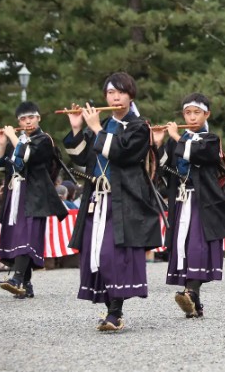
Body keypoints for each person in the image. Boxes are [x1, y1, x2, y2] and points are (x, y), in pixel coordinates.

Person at [63, 73, 162, 331]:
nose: (115, 97)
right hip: (96, 198)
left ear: (131, 95)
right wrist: (76, 127)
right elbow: (80, 157)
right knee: (95, 252)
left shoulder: (139, 126)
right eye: (110, 93)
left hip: (124, 200)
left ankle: (115, 311)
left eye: (120, 92)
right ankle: (111, 310)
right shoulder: (104, 122)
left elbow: (122, 153)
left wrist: (97, 129)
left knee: (112, 253)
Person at [153, 93, 225, 318]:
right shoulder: (175, 140)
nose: (192, 117)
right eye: (188, 113)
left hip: (203, 201)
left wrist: (177, 137)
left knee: (198, 246)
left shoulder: (211, 139)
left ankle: (190, 291)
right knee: (184, 246)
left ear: (207, 114)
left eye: (197, 112)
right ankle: (194, 300)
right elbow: (163, 170)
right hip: (181, 199)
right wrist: (159, 144)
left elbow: (200, 154)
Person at [0, 102, 68, 299]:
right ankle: (26, 284)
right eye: (23, 119)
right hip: (15, 194)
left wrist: (13, 137)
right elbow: (1, 167)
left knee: (27, 236)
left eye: (31, 117)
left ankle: (17, 278)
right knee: (17, 235)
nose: (27, 122)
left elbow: (27, 154)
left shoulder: (44, 139)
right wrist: (2, 143)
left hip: (35, 195)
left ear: (38, 118)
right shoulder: (17, 140)